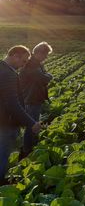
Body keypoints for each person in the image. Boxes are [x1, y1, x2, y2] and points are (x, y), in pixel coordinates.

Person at [0, 46, 41, 182]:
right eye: (23, 61)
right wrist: (31, 123)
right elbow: (12, 104)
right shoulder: (9, 74)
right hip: (6, 123)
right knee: (2, 157)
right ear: (15, 56)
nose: (23, 65)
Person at [19, 42, 53, 156]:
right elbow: (44, 78)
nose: (46, 57)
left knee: (34, 124)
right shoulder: (32, 64)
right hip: (31, 99)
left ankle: (30, 146)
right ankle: (27, 150)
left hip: (34, 98)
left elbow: (43, 77)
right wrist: (49, 76)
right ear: (38, 53)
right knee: (31, 125)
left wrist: (46, 76)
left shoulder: (36, 63)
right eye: (45, 54)